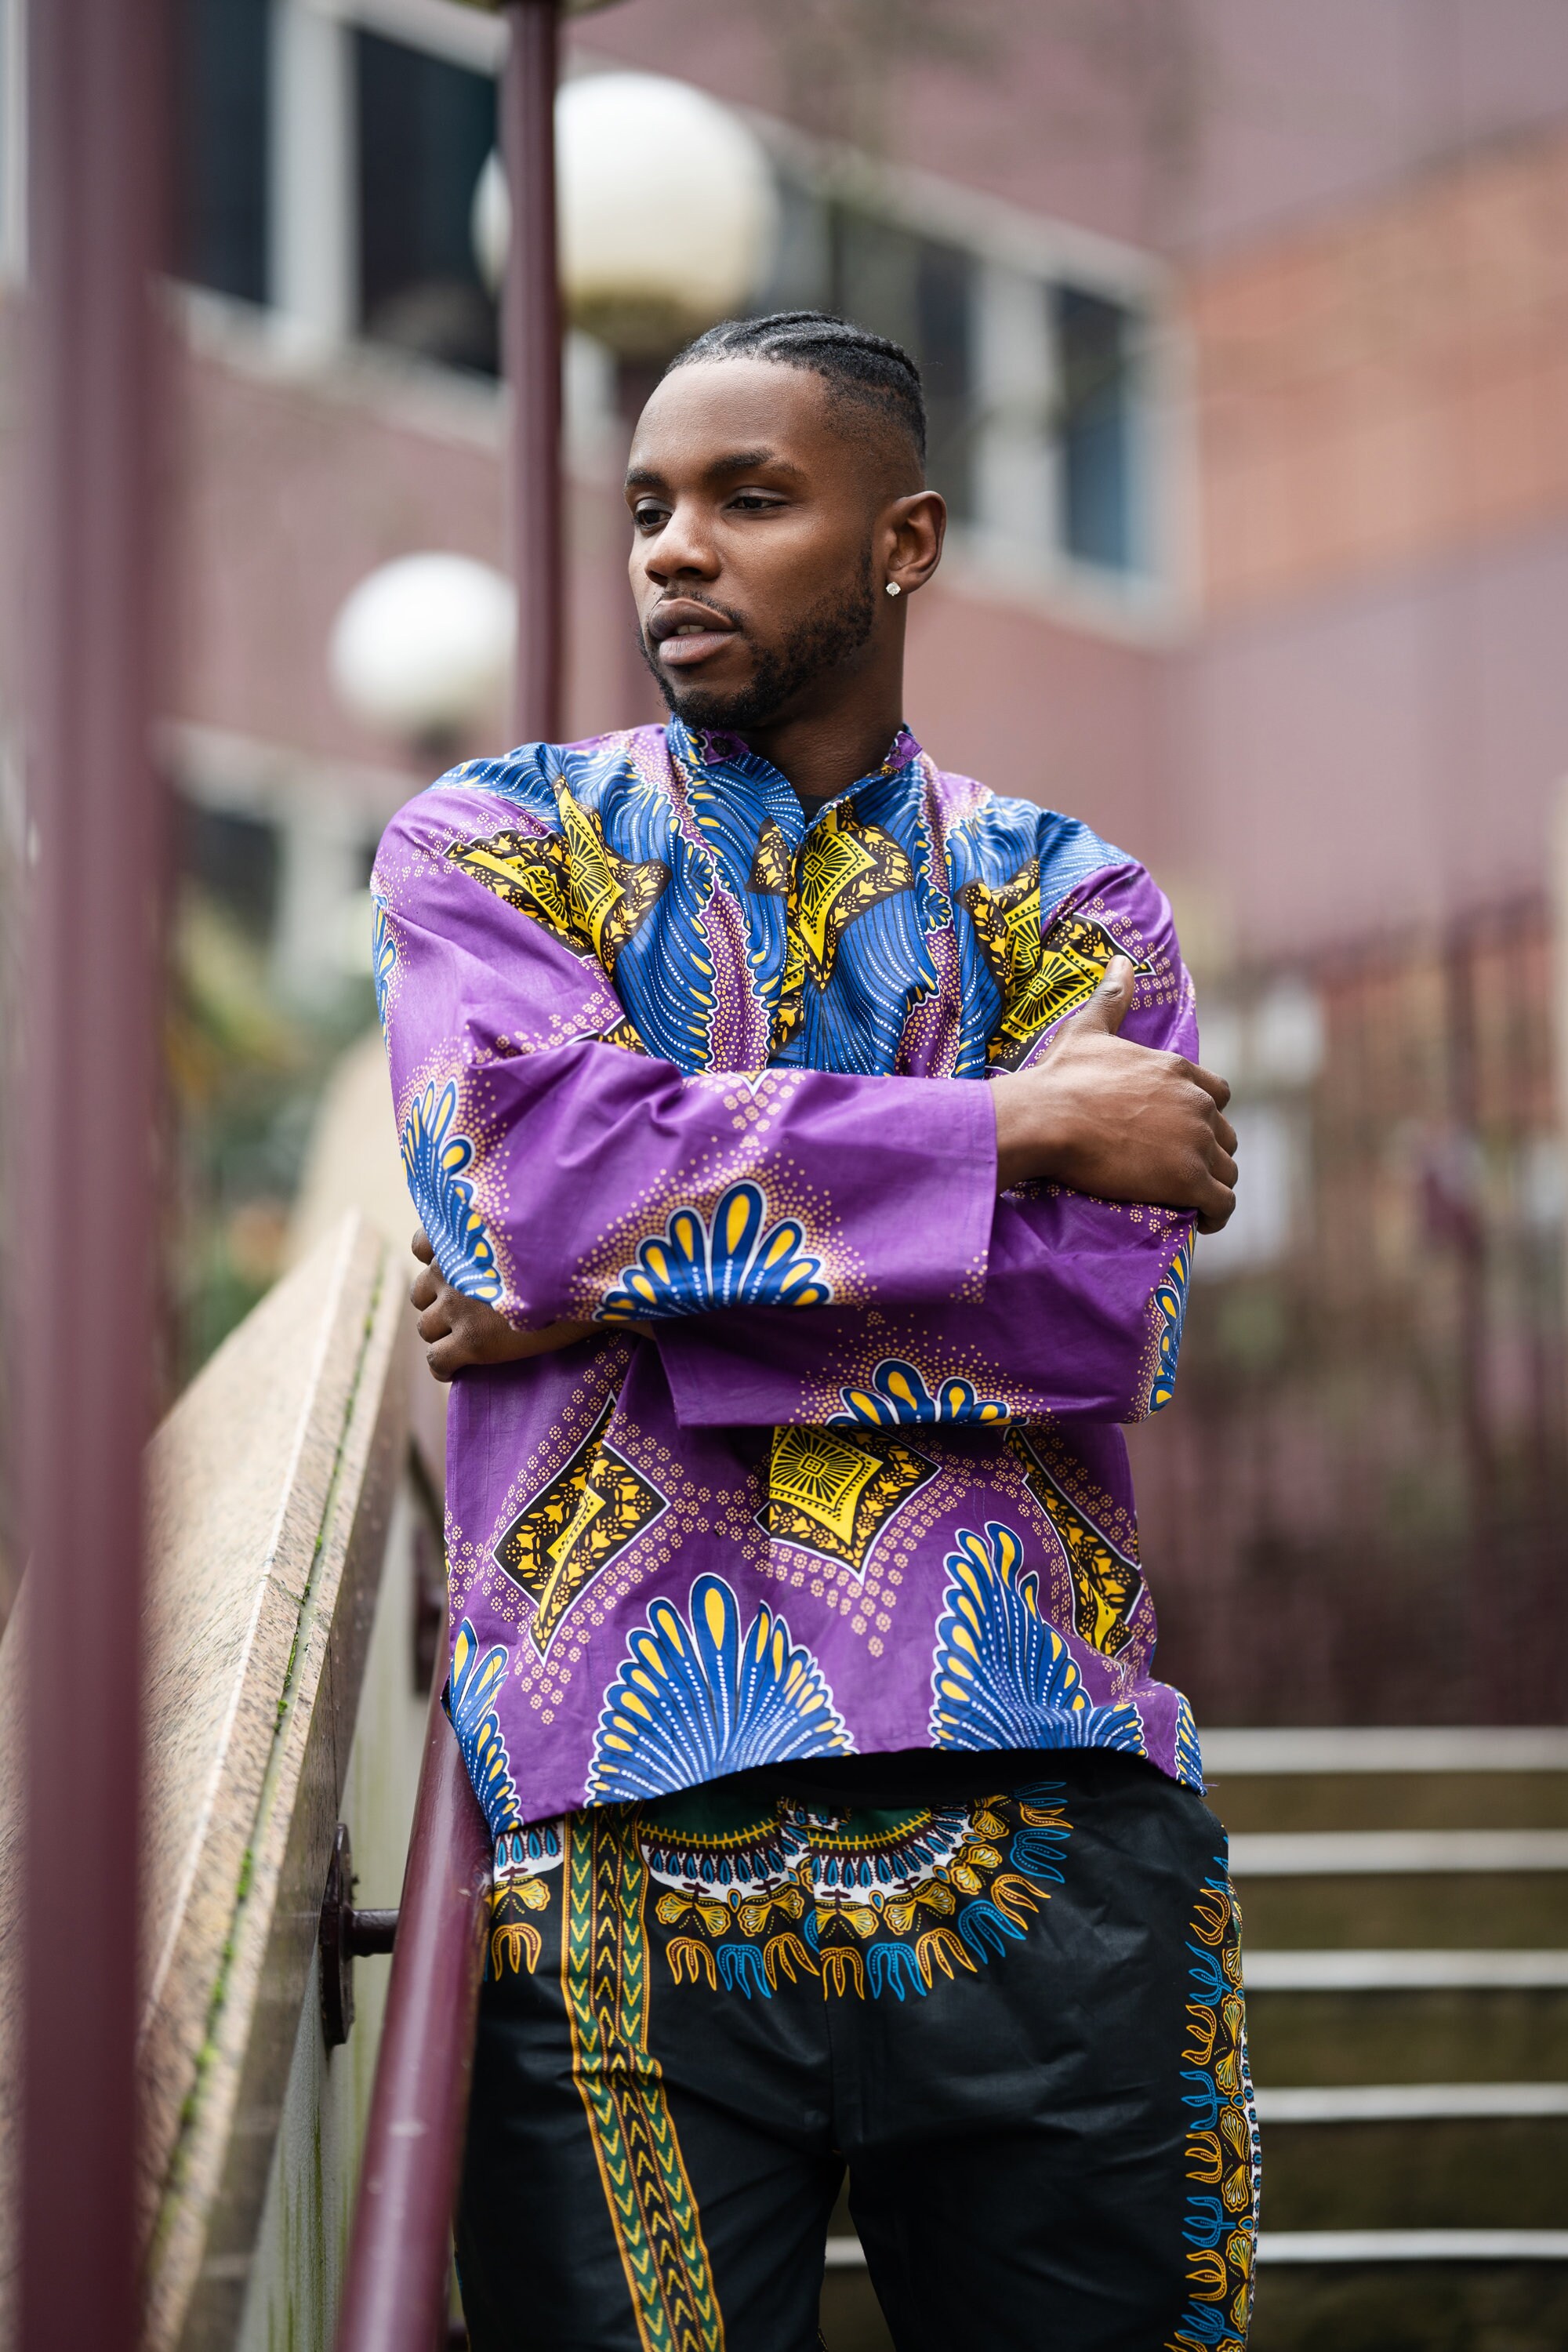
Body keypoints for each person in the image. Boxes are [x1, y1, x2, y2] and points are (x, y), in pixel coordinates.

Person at [372, 312, 1256, 2352]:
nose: (675, 548)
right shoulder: (499, 848)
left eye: (750, 499)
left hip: (1042, 1820)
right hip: (612, 1855)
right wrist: (1011, 1124)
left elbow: (1092, 1313)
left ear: (904, 538)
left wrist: (607, 1307)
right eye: (650, 507)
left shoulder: (1071, 902)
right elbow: (521, 1177)